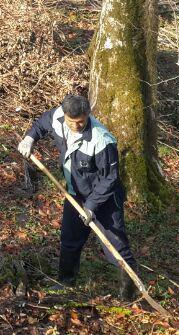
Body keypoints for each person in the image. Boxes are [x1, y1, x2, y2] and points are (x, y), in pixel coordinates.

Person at [18, 92, 139, 300]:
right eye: (72, 122)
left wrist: (91, 206)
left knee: (115, 247)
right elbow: (41, 124)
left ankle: (131, 290)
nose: (76, 126)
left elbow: (109, 178)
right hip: (75, 194)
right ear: (64, 115)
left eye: (81, 122)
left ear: (88, 115)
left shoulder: (102, 140)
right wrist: (29, 138)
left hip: (104, 199)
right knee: (69, 240)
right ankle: (66, 282)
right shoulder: (57, 118)